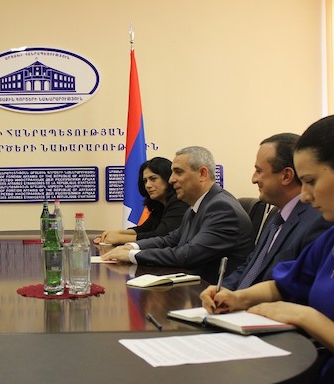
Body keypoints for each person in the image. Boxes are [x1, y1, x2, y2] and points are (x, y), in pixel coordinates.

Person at [201, 116, 334, 383]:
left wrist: (306, 316)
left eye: (310, 181)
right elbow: (285, 283)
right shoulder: (330, 238)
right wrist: (238, 298)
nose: (305, 196)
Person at [101, 146, 253, 283]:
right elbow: (170, 240)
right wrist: (132, 246)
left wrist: (132, 255)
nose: (172, 179)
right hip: (195, 287)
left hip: (216, 294)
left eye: (178, 172)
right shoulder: (198, 205)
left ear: (202, 173)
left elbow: (188, 255)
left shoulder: (221, 208)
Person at [204, 133, 331, 292]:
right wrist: (222, 291)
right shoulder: (276, 217)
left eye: (258, 170)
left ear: (286, 176)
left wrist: (242, 300)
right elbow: (250, 266)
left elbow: (297, 289)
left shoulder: (319, 220)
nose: (253, 179)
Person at [94, 157, 189, 245]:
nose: (148, 185)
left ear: (168, 178)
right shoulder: (160, 204)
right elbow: (145, 229)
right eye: (145, 181)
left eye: (153, 179)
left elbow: (160, 236)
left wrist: (119, 238)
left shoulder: (179, 202)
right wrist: (117, 232)